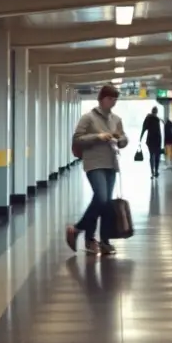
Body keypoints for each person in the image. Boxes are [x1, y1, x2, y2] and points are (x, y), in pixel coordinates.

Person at [66, 84, 128, 256]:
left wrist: (120, 139)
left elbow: (123, 138)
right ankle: (78, 229)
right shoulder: (88, 118)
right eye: (110, 99)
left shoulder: (116, 119)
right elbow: (77, 139)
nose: (113, 102)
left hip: (111, 163)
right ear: (101, 99)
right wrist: (98, 136)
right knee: (101, 198)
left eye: (115, 99)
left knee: (106, 204)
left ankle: (100, 240)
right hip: (94, 163)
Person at [140, 106, 164, 178]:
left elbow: (144, 128)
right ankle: (156, 171)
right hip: (157, 139)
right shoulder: (156, 119)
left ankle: (152, 172)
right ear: (156, 111)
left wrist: (140, 138)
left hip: (150, 139)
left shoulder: (149, 118)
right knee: (157, 156)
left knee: (151, 155)